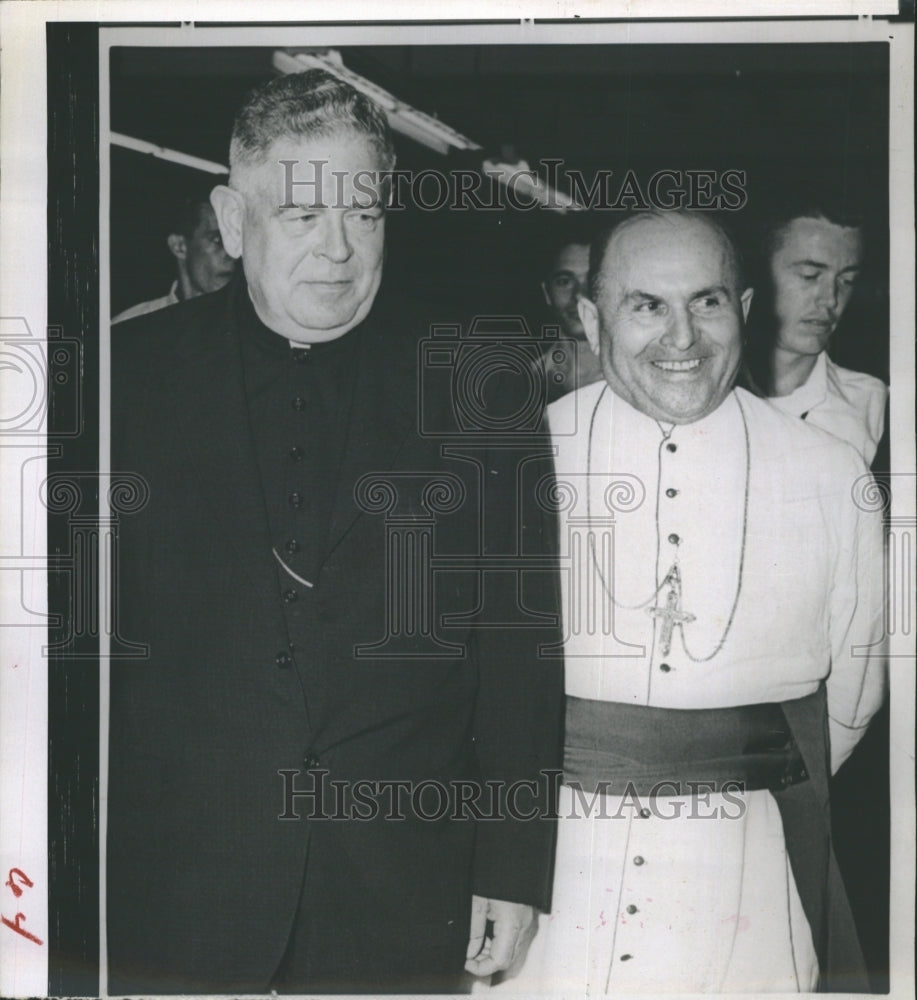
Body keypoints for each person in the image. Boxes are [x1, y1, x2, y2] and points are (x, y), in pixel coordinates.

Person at [107, 69, 563, 995]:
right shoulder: (123, 383)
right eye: (303, 216)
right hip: (175, 886)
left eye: (364, 213)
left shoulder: (480, 383)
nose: (339, 249)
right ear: (234, 223)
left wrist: (511, 869)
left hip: (398, 887)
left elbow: (519, 649)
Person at [500, 210, 885, 993]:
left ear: (743, 309)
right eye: (645, 306)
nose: (681, 338)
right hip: (546, 865)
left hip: (741, 861)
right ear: (587, 315)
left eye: (705, 303)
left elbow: (849, 698)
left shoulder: (829, 472)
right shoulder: (512, 456)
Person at [743, 196, 887, 465]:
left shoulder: (874, 405)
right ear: (759, 273)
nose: (830, 299)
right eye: (810, 275)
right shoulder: (707, 394)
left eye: (847, 280)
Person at [112, 191, 236, 322]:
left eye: (235, 241)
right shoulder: (131, 327)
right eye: (217, 240)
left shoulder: (248, 324)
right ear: (179, 246)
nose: (233, 253)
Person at [537, 231, 604, 402]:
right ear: (547, 293)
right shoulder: (530, 382)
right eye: (564, 281)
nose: (580, 295)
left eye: (593, 279)